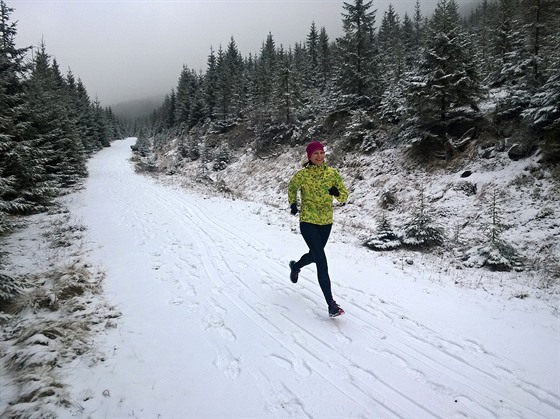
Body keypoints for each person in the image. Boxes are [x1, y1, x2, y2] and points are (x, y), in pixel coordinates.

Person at [287, 141, 349, 317]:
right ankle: (331, 304)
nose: (319, 156)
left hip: (326, 222)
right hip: (307, 220)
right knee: (321, 259)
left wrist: (336, 193)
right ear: (309, 156)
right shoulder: (303, 175)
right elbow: (292, 187)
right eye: (315, 153)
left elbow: (344, 196)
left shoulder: (332, 174)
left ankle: (296, 266)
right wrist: (293, 203)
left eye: (321, 153)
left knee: (315, 255)